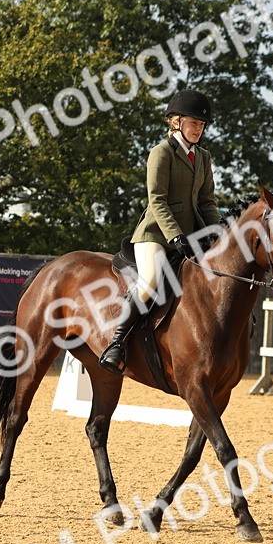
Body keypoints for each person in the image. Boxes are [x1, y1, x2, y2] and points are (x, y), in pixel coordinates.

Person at [98, 89, 222, 375]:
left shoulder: (203, 157)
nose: (199, 129)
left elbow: (207, 202)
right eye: (194, 123)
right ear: (175, 122)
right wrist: (175, 236)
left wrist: (220, 230)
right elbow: (158, 200)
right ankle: (116, 343)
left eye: (202, 125)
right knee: (151, 281)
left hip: (190, 236)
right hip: (156, 234)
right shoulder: (161, 152)